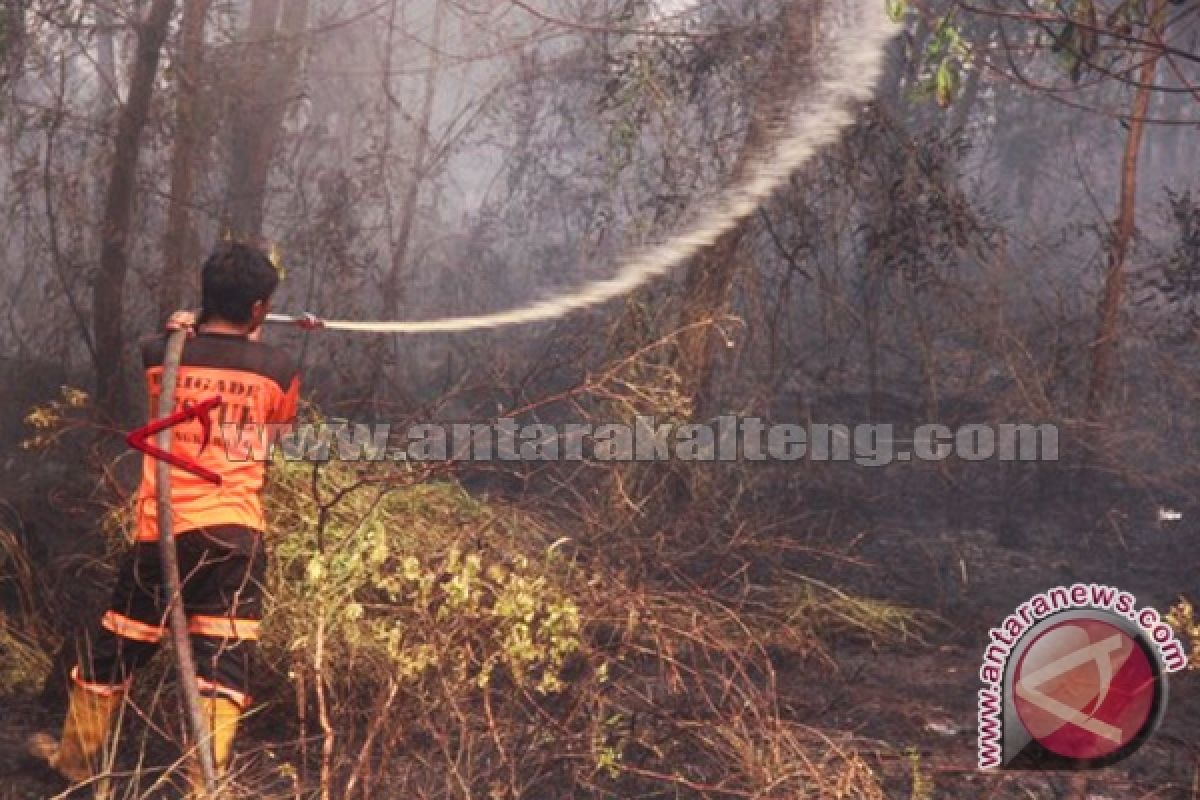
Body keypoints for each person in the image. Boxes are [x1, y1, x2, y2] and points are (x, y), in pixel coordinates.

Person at [31, 242, 301, 795]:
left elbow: (185, 344)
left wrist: (187, 324)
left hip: (162, 534)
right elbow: (278, 436)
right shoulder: (279, 367)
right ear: (258, 310)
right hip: (236, 535)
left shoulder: (160, 350)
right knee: (222, 666)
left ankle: (77, 763)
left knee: (117, 651)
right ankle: (205, 785)